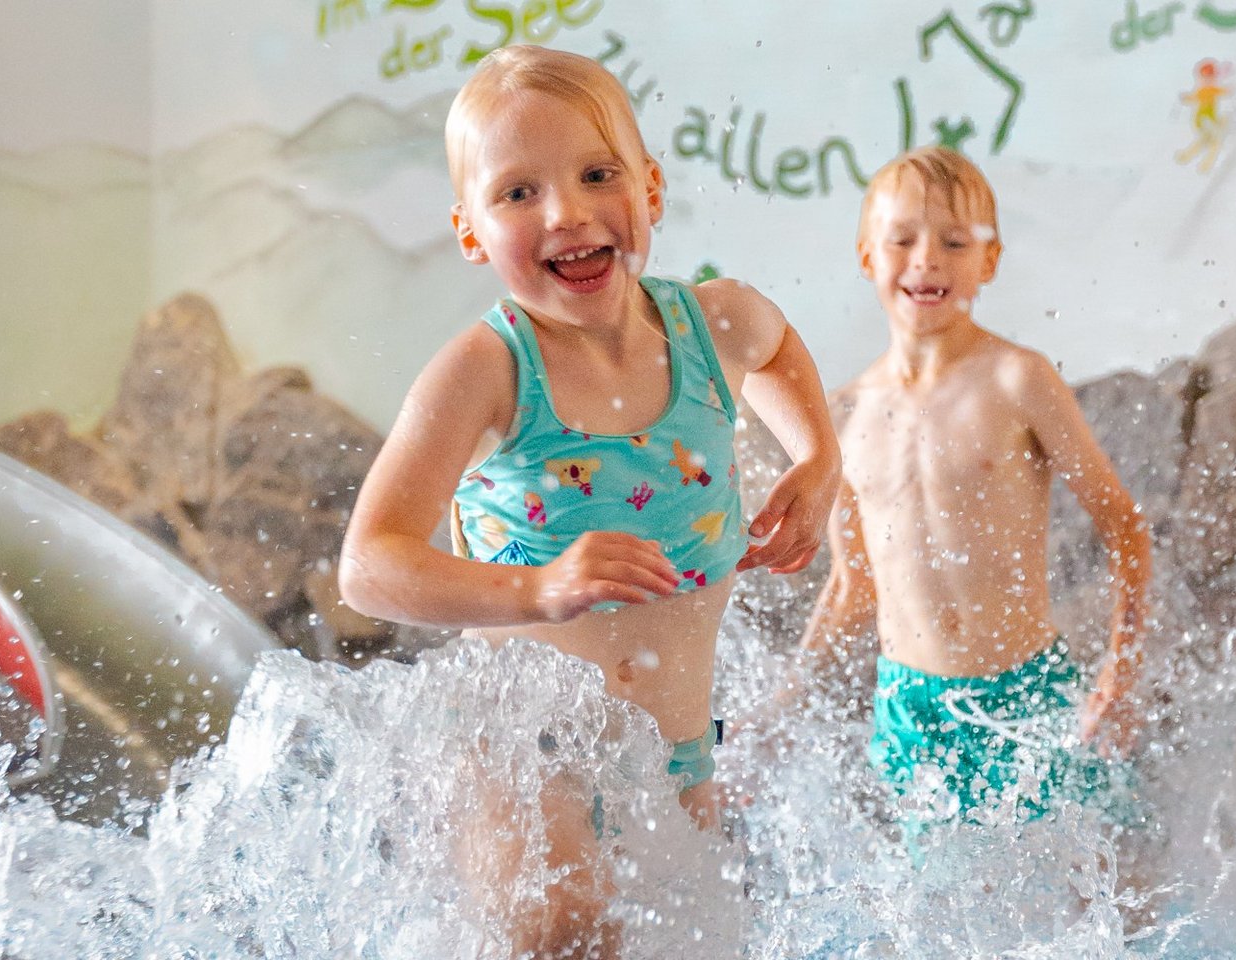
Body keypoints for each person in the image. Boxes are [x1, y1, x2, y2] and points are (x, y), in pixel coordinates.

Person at [338, 45, 840, 956]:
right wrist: (535, 592)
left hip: (678, 759)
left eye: (595, 174)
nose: (566, 213)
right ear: (471, 232)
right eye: (518, 193)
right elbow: (369, 564)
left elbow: (777, 346)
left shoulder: (714, 325)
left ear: (648, 190)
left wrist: (818, 457)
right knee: (564, 929)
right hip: (517, 759)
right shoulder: (486, 372)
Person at [796, 146, 1151, 836]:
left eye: (954, 242)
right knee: (939, 909)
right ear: (868, 256)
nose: (927, 259)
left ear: (988, 262)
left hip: (1026, 692)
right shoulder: (847, 415)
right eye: (902, 239)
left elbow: (1122, 524)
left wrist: (1120, 672)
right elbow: (852, 587)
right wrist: (778, 704)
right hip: (909, 707)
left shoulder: (1018, 381)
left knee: (1081, 890)